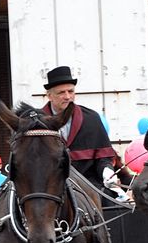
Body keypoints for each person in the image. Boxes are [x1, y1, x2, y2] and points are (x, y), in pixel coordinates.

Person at [40, 65, 128, 201]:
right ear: (49, 96)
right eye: (61, 92)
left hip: (88, 186)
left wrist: (107, 171)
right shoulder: (36, 123)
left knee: (114, 207)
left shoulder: (92, 118)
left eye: (71, 91)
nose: (67, 97)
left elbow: (103, 157)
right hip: (47, 190)